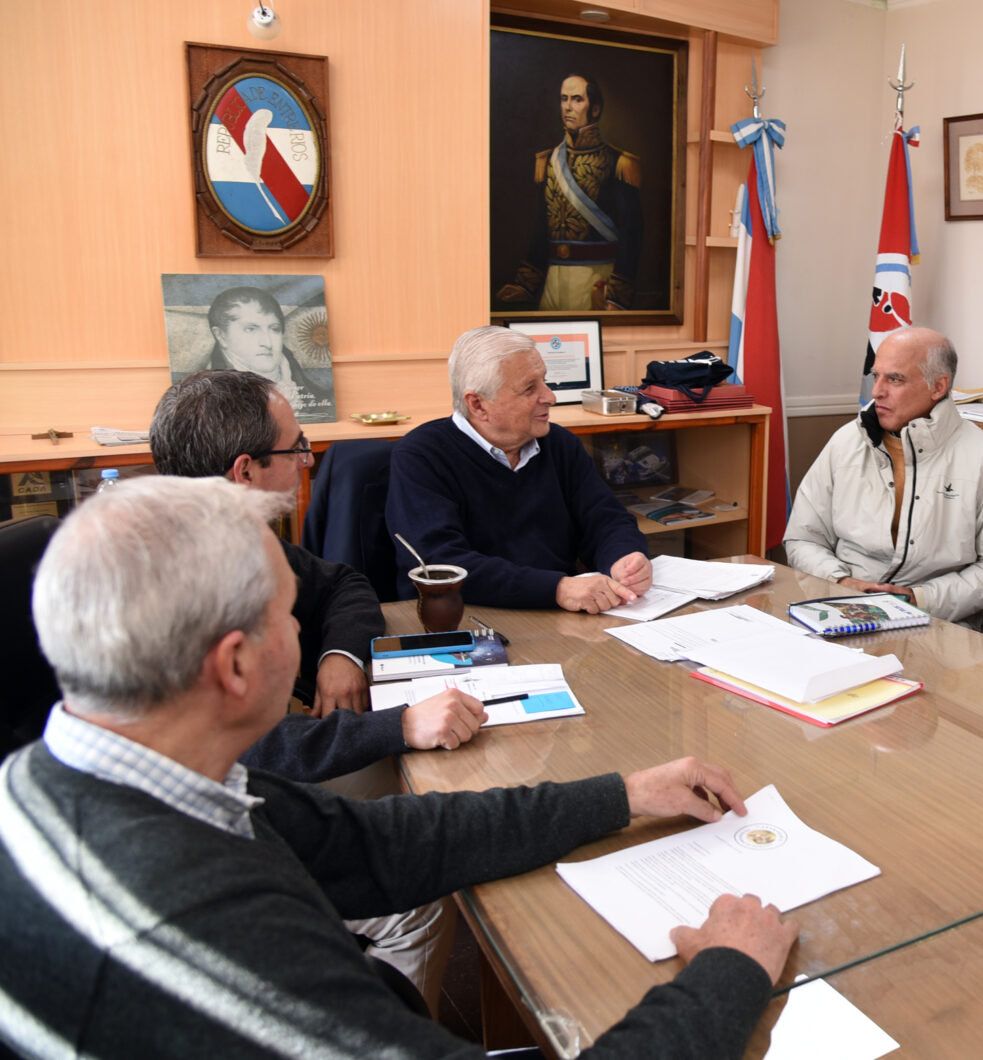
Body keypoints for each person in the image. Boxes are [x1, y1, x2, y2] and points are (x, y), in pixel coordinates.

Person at [0, 475, 798, 1058]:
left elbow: (374, 843)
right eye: (288, 615)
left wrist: (624, 794)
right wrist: (729, 972)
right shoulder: (193, 927)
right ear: (235, 666)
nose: (303, 634)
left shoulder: (94, 780)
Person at [151, 370, 484, 1011]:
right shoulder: (182, 582)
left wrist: (339, 656)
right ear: (245, 471)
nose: (307, 462)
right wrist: (398, 726)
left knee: (440, 787)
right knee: (423, 859)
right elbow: (254, 751)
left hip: (241, 785)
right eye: (296, 448)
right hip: (215, 827)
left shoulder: (220, 531)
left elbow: (342, 583)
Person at [387, 325, 653, 612]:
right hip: (459, 614)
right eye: (529, 388)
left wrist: (624, 558)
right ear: (477, 404)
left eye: (544, 381)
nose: (550, 397)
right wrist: (556, 589)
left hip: (555, 611)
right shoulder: (422, 456)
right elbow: (440, 565)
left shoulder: (560, 444)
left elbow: (606, 520)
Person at [784, 326, 983, 625]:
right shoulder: (845, 442)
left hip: (935, 623)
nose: (877, 391)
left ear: (938, 386)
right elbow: (802, 538)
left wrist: (919, 599)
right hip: (841, 606)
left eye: (895, 379)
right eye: (876, 376)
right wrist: (840, 581)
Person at [494, 74, 643, 312]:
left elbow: (631, 233)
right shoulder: (549, 161)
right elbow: (541, 229)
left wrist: (616, 298)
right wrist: (525, 284)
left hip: (596, 281)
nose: (568, 107)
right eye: (564, 99)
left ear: (595, 109)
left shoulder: (619, 163)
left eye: (577, 99)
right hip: (553, 282)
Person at [206, 285, 335, 421]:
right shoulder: (208, 400)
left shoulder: (317, 398)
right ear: (221, 336)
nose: (267, 343)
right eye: (251, 329)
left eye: (274, 329)